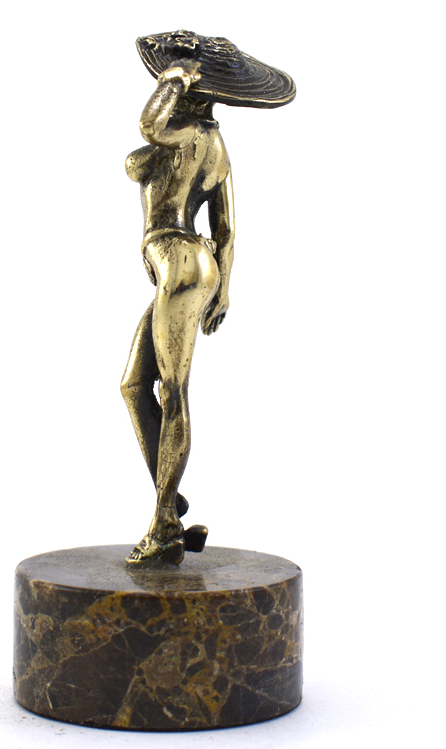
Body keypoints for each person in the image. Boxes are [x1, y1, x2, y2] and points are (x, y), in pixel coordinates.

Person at [121, 31, 295, 565]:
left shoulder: (188, 133)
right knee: (133, 385)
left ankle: (162, 528)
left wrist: (174, 79)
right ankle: (169, 501)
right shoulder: (208, 142)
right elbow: (228, 229)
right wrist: (225, 286)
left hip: (179, 258)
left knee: (173, 392)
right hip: (187, 264)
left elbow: (148, 126)